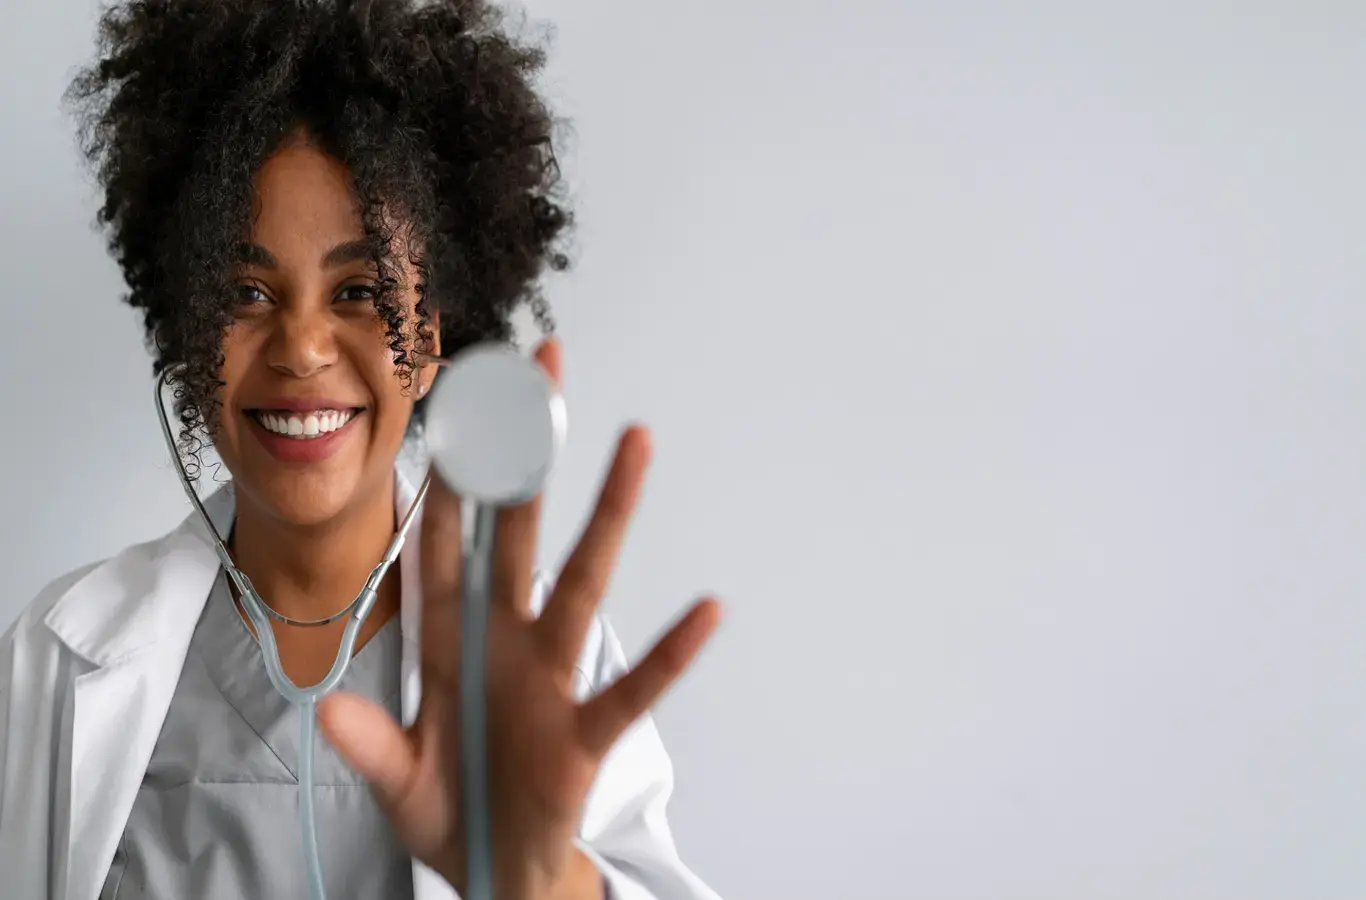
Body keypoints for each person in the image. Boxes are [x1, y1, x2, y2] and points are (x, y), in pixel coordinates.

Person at [0, 1, 723, 898]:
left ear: (432, 339)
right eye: (246, 291)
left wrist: (545, 882)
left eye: (359, 290)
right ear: (187, 329)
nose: (302, 347)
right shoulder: (56, 657)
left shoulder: (538, 663)